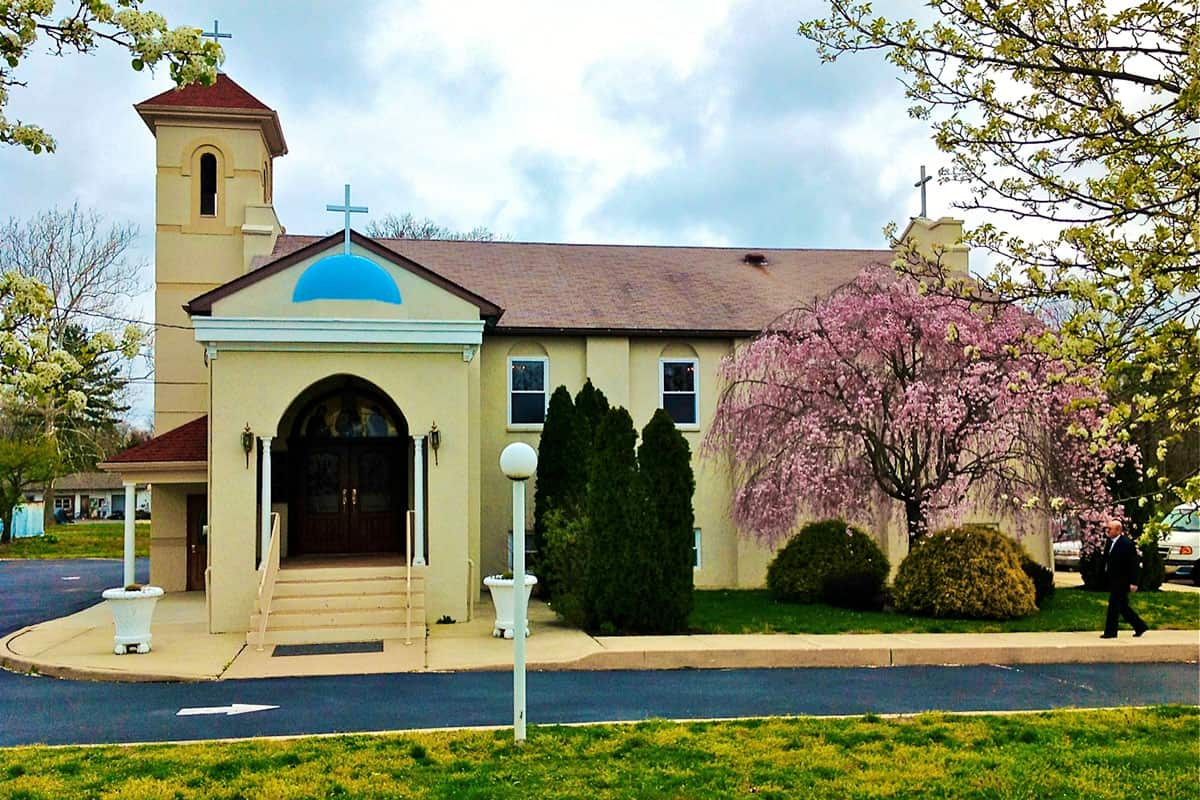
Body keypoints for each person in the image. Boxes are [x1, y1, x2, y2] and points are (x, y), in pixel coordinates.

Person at [1100, 519, 1148, 639]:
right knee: (1122, 606)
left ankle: (1110, 632)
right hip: (1113, 579)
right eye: (1107, 529)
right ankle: (1139, 626)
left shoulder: (1126, 544)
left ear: (1118, 530)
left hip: (1122, 580)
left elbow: (1133, 564)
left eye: (1110, 529)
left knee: (1113, 606)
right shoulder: (1109, 542)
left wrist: (1134, 582)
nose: (1108, 531)